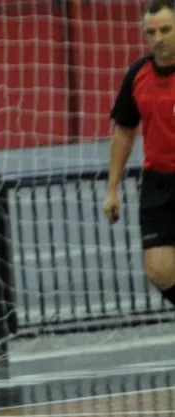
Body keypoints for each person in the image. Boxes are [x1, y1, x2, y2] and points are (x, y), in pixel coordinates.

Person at [104, 0, 175, 308]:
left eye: (166, 29)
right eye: (151, 32)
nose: (158, 38)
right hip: (158, 183)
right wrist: (112, 189)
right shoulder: (138, 75)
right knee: (159, 271)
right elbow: (124, 131)